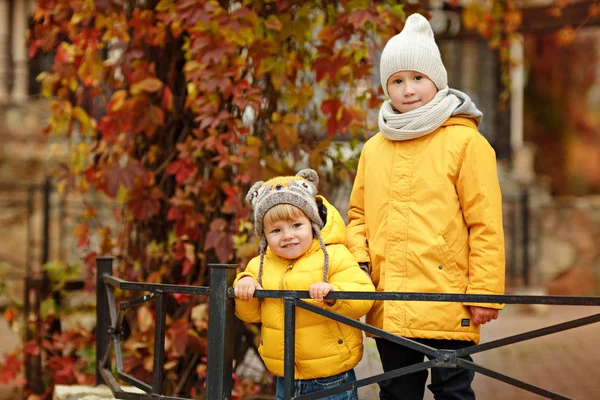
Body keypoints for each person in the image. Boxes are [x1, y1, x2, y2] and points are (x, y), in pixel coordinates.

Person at [346, 13, 505, 400]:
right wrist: (362, 266)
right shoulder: (374, 149)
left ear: (437, 79)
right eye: (397, 81)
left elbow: (484, 222)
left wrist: (484, 291)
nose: (408, 89)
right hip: (390, 301)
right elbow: (358, 216)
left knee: (452, 391)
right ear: (387, 87)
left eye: (418, 77)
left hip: (447, 300)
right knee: (397, 393)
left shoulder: (467, 144)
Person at [234, 169, 375, 400]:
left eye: (296, 226)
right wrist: (246, 287)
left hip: (331, 377)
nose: (287, 235)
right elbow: (251, 315)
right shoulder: (261, 264)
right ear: (265, 236)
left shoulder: (335, 255)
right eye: (276, 230)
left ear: (312, 224)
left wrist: (333, 294)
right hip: (285, 376)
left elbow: (363, 296)